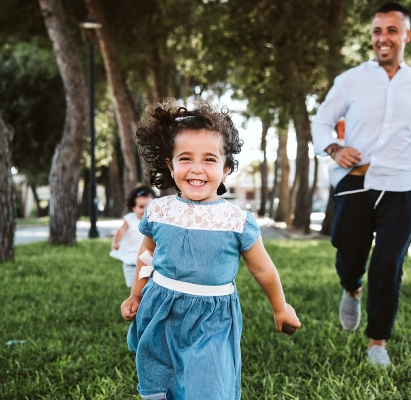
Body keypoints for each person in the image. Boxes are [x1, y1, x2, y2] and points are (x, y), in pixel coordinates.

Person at [312, 2, 411, 366]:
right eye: (378, 31)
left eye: (392, 31)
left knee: (388, 264)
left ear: (407, 35)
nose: (383, 38)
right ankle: (351, 288)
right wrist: (334, 147)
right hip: (355, 183)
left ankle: (377, 342)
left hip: (402, 185)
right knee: (349, 256)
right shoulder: (350, 80)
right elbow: (321, 122)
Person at [120, 99, 301, 399]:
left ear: (226, 168)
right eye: (186, 158)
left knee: (208, 386)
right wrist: (136, 293)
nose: (197, 169)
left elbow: (262, 268)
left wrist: (280, 307)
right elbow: (146, 256)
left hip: (211, 319)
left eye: (209, 159)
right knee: (161, 378)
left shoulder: (236, 221)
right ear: (170, 164)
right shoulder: (159, 211)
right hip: (161, 309)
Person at [110, 186, 157, 287]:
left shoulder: (155, 221)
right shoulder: (130, 219)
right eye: (141, 207)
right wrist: (116, 241)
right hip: (132, 262)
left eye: (148, 206)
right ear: (133, 208)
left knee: (149, 286)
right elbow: (121, 230)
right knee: (134, 288)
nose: (145, 210)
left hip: (150, 262)